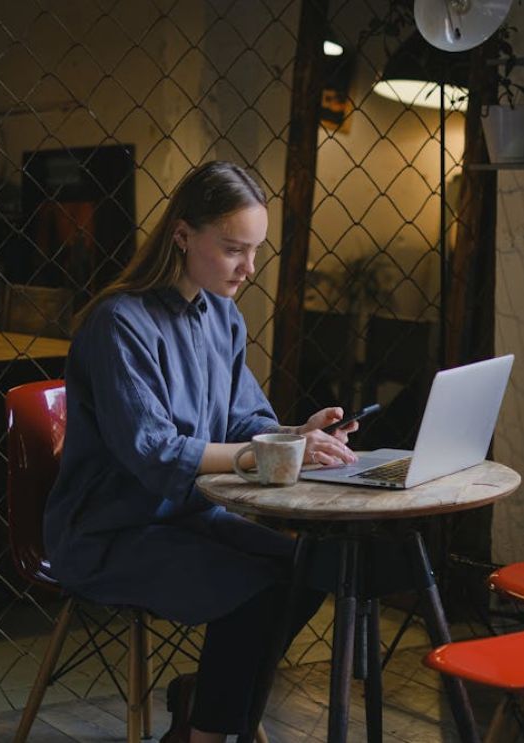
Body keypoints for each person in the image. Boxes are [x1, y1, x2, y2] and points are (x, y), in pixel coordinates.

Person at [44, 160, 359, 742]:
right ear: (183, 236)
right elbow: (157, 455)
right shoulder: (119, 323)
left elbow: (246, 420)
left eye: (257, 250)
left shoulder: (223, 316)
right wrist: (263, 452)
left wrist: (296, 437)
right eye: (235, 249)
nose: (251, 269)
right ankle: (208, 731)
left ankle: (206, 703)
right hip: (110, 531)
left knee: (315, 568)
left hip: (189, 516)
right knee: (256, 594)